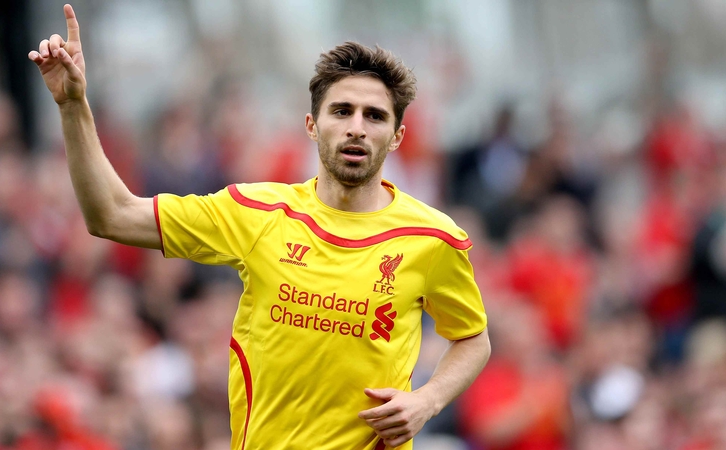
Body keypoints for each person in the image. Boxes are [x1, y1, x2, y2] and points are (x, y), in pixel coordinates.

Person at [29, 5, 490, 449]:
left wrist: (426, 401)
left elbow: (472, 338)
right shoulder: (257, 211)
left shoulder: (433, 238)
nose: (356, 127)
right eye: (341, 111)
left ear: (397, 136)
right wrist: (73, 105)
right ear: (312, 125)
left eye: (374, 116)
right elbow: (111, 215)